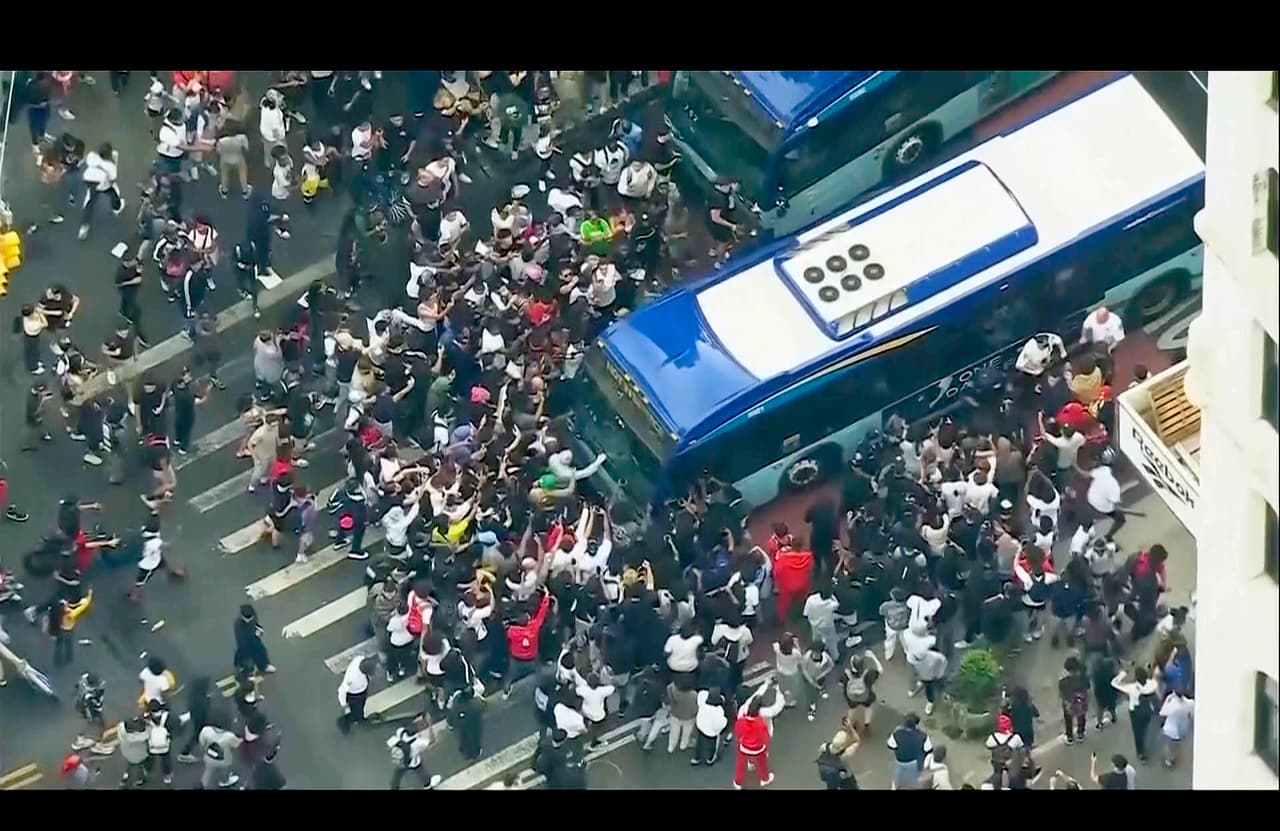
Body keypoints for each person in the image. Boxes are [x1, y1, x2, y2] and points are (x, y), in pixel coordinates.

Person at [1111, 663, 1160, 763]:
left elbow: (1114, 683)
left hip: (1135, 712)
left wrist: (1123, 673)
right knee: (1146, 729)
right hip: (1148, 710)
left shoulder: (1131, 688)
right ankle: (1146, 744)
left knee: (1137, 732)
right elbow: (1154, 680)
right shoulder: (1152, 685)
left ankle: (1141, 752)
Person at [387, 719, 444, 789]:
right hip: (414, 762)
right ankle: (427, 786)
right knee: (421, 773)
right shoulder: (418, 742)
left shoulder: (400, 731)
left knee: (398, 774)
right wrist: (430, 725)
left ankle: (394, 787)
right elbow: (432, 741)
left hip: (402, 760)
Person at [732, 696, 774, 789]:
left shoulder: (742, 721)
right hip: (758, 749)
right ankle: (764, 779)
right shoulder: (760, 723)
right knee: (763, 764)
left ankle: (738, 782)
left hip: (744, 748)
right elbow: (765, 738)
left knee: (740, 765)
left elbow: (737, 733)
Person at [886, 713, 932, 790]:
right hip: (915, 764)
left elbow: (891, 746)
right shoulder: (923, 736)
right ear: (917, 724)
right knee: (913, 784)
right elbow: (929, 750)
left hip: (900, 762)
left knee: (897, 781)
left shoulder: (897, 733)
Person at [234, 604, 276, 678]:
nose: (250, 619)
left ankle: (264, 666)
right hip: (244, 645)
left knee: (261, 652)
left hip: (254, 640)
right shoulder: (238, 625)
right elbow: (242, 641)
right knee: (246, 660)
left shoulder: (253, 617)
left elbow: (256, 625)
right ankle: (246, 672)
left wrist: (258, 631)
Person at [337, 656, 375, 733]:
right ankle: (343, 722)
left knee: (361, 707)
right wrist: (344, 705)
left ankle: (360, 718)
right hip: (355, 695)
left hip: (362, 690)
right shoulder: (352, 678)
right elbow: (342, 690)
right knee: (355, 712)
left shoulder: (360, 659)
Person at [1158, 686, 1194, 769]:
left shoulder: (1172, 705)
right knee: (1177, 744)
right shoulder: (1190, 703)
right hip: (1183, 728)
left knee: (1167, 745)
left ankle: (1169, 760)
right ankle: (1175, 756)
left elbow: (1162, 713)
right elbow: (1192, 715)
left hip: (1170, 729)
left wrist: (1167, 700)